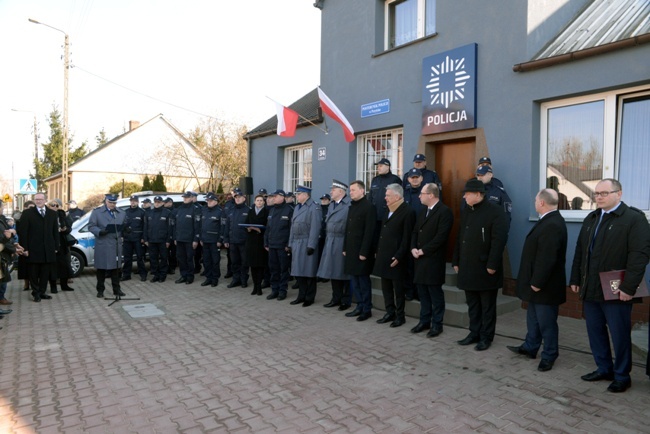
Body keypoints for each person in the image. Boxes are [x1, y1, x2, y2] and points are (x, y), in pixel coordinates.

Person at [570, 179, 650, 393]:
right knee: (595, 331)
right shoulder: (592, 217)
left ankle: (622, 375)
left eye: (605, 193)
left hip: (617, 290)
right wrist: (575, 278)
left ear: (619, 194)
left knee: (619, 333)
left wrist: (629, 287)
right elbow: (580, 251)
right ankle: (604, 368)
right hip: (591, 287)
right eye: (596, 193)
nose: (599, 197)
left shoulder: (634, 219)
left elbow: (639, 256)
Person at [507, 189, 567, 372]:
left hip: (544, 286)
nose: (534, 202)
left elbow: (547, 258)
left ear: (541, 203)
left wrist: (537, 282)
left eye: (535, 200)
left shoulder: (553, 224)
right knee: (533, 318)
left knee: (547, 322)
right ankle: (530, 347)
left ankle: (549, 355)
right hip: (537, 285)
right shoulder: (548, 221)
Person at [453, 179, 509, 351]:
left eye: (467, 193)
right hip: (468, 267)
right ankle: (474, 332)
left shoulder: (496, 212)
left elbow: (498, 241)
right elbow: (460, 237)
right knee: (473, 304)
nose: (464, 196)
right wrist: (456, 260)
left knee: (487, 306)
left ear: (478, 194)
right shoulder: (467, 211)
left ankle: (486, 337)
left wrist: (492, 264)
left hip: (486, 268)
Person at [410, 183, 453, 337]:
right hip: (419, 260)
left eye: (422, 193)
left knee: (435, 294)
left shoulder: (445, 212)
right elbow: (415, 231)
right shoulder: (423, 212)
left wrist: (424, 250)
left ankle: (437, 324)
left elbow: (441, 237)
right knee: (422, 293)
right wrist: (413, 247)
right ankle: (424, 321)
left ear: (431, 195)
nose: (419, 196)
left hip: (433, 260)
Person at [372, 183, 415, 328]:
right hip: (384, 254)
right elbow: (383, 233)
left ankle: (400, 316)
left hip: (397, 257)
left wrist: (399, 255)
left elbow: (406, 237)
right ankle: (389, 312)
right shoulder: (388, 210)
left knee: (398, 289)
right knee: (386, 287)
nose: (385, 198)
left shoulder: (407, 211)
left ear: (397, 196)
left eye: (388, 195)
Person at [343, 180, 376, 321]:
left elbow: (370, 232)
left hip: (362, 252)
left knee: (363, 281)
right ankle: (359, 306)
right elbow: (348, 230)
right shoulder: (352, 206)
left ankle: (366, 309)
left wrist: (364, 252)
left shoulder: (369, 207)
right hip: (351, 250)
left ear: (362, 191)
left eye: (354, 190)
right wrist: (345, 247)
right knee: (354, 281)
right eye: (350, 190)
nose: (351, 192)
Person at [18, 192, 60, 302]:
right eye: (36, 199)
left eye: (41, 199)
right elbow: (23, 232)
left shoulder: (52, 214)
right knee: (33, 273)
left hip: (48, 249)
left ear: (45, 200)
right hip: (33, 249)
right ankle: (35, 293)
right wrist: (25, 248)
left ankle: (42, 292)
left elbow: (55, 231)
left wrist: (56, 246)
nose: (38, 201)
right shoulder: (27, 213)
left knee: (45, 273)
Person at [318, 181, 351, 311]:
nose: (331, 191)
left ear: (341, 191)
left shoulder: (348, 204)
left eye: (333, 189)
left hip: (341, 240)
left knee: (343, 272)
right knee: (332, 271)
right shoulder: (332, 205)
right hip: (330, 239)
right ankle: (335, 298)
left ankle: (346, 300)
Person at [288, 185, 322, 307]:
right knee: (299, 271)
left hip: (306, 242)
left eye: (298, 194)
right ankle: (301, 295)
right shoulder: (297, 207)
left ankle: (309, 297)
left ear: (305, 195)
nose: (296, 196)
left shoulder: (314, 207)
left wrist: (311, 245)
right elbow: (293, 227)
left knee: (309, 272)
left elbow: (315, 227)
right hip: (297, 242)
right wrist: (290, 243)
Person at [88, 194, 127, 298]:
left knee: (116, 269)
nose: (112, 205)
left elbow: (124, 225)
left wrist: (126, 230)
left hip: (115, 244)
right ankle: (100, 290)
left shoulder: (121, 213)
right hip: (103, 243)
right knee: (101, 269)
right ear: (106, 201)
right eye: (110, 202)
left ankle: (116, 290)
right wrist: (100, 232)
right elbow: (91, 226)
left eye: (114, 203)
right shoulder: (97, 212)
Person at [264, 189, 293, 301]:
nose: (273, 198)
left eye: (275, 196)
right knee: (273, 269)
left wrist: (288, 244)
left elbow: (291, 229)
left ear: (282, 197)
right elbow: (268, 228)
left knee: (283, 269)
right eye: (272, 197)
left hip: (283, 246)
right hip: (272, 245)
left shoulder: (289, 210)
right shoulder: (272, 211)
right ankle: (274, 290)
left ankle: (282, 291)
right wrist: (266, 242)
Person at [223, 188, 250, 288]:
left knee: (244, 262)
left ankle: (243, 280)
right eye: (236, 197)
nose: (237, 199)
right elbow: (227, 226)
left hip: (244, 241)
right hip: (233, 241)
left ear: (244, 198)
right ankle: (236, 279)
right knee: (234, 262)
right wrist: (226, 239)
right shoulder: (231, 211)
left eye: (239, 197)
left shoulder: (248, 210)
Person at [369, 158, 401, 238]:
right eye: (378, 166)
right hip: (375, 216)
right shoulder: (375, 180)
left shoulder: (395, 179)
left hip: (388, 215)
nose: (378, 168)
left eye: (381, 166)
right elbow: (370, 197)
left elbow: (399, 198)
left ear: (388, 167)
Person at [47, 199, 74, 293]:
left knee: (64, 265)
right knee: (53, 267)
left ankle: (64, 285)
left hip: (62, 243)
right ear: (48, 206)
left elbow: (69, 227)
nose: (55, 207)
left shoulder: (62, 214)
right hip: (51, 243)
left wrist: (64, 229)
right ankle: (53, 287)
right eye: (52, 205)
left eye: (56, 205)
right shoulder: (46, 215)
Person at [174, 191, 201, 285]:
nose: (185, 198)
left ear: (191, 198)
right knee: (181, 259)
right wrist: (175, 238)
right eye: (184, 197)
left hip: (190, 239)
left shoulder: (195, 209)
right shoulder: (180, 209)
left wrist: (195, 239)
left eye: (187, 197)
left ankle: (190, 276)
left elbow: (197, 226)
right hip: (180, 238)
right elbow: (176, 225)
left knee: (189, 259)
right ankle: (183, 275)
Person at [144, 196, 173, 283]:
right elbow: (146, 227)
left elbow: (170, 228)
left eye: (159, 202)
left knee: (164, 258)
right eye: (155, 202)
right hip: (152, 240)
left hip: (163, 241)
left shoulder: (167, 212)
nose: (157, 203)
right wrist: (145, 239)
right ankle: (155, 275)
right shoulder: (149, 213)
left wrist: (168, 240)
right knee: (153, 259)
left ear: (162, 203)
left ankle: (162, 275)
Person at [244, 194, 269, 295]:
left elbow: (268, 227)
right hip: (251, 241)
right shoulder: (250, 211)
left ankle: (259, 287)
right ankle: (255, 286)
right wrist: (248, 228)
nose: (259, 202)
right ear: (254, 202)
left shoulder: (267, 212)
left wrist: (260, 230)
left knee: (260, 265)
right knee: (253, 265)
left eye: (261, 200)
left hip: (261, 241)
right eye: (257, 200)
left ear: (264, 202)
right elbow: (246, 223)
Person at [199, 193, 224, 287]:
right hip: (205, 240)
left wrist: (220, 240)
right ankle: (208, 278)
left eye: (210, 201)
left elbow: (222, 227)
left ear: (215, 201)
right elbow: (201, 226)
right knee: (206, 260)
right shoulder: (204, 210)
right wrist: (201, 238)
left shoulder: (220, 212)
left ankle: (215, 279)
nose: (208, 202)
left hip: (214, 241)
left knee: (215, 261)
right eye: (207, 201)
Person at [121, 195, 148, 282]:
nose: (133, 202)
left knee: (140, 258)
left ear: (138, 202)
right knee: (127, 258)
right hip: (127, 239)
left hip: (138, 239)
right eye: (132, 201)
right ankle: (126, 275)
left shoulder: (142, 212)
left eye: (135, 201)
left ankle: (143, 274)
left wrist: (144, 238)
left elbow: (145, 226)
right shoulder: (125, 212)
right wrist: (122, 234)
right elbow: (122, 225)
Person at [16, 200, 35, 292]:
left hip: (34, 243)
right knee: (24, 265)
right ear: (25, 208)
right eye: (30, 207)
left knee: (34, 265)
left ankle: (34, 283)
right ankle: (26, 283)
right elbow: (20, 231)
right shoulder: (20, 217)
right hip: (23, 243)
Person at [163, 197, 177, 274]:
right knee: (166, 253)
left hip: (174, 235)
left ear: (170, 202)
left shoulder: (176, 211)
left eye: (166, 202)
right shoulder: (164, 211)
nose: (164, 204)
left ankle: (173, 267)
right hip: (166, 235)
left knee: (173, 253)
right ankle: (167, 267)